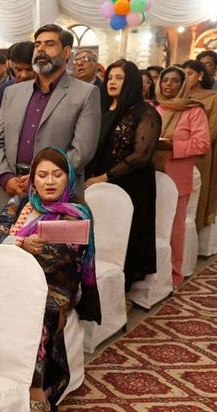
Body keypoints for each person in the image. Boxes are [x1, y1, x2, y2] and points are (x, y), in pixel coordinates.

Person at [0, 147, 100, 412]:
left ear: (68, 178)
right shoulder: (20, 203)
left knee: (38, 313)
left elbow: (55, 256)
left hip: (55, 285)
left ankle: (37, 392)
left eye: (57, 175)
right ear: (32, 179)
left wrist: (14, 243)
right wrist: (21, 243)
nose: (50, 181)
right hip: (11, 278)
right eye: (43, 175)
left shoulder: (76, 214)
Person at [0, 24, 101, 199]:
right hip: (11, 192)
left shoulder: (85, 93)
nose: (41, 49)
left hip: (57, 195)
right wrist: (5, 177)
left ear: (66, 52)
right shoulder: (13, 92)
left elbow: (81, 151)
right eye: (37, 44)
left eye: (49, 44)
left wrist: (39, 178)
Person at [87, 60, 161, 291]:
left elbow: (141, 155)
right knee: (101, 232)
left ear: (131, 82)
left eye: (119, 78)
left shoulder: (145, 111)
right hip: (98, 180)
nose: (112, 82)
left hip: (131, 184)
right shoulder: (102, 109)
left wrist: (103, 178)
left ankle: (124, 288)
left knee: (126, 234)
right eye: (110, 77)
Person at [153, 66, 210, 286]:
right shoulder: (154, 108)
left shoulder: (193, 111)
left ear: (183, 84)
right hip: (151, 174)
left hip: (177, 176)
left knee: (174, 228)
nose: (168, 84)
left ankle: (174, 274)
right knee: (152, 226)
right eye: (165, 80)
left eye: (174, 80)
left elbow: (202, 144)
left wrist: (171, 146)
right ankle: (152, 273)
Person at [0, 41, 37, 188]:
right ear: (11, 66)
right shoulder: (5, 91)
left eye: (29, 69)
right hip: (8, 168)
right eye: (18, 69)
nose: (23, 75)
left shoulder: (48, 91)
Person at [182, 59, 217, 230]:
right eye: (183, 74)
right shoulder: (179, 96)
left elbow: (212, 131)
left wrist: (188, 144)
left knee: (196, 195)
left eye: (190, 74)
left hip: (200, 153)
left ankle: (194, 233)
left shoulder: (213, 98)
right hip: (176, 152)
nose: (186, 78)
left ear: (200, 75)